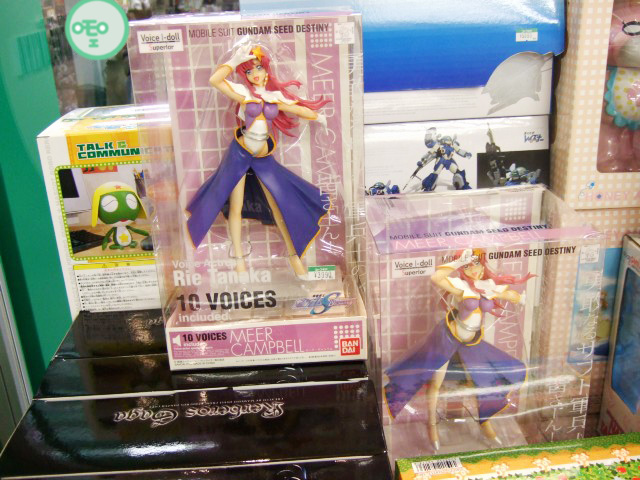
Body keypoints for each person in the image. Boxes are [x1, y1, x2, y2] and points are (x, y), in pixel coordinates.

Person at [186, 44, 330, 276]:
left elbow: (298, 110)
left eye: (258, 68)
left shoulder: (274, 97)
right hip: (240, 155)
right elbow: (215, 80)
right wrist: (233, 61)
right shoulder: (243, 93)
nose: (254, 73)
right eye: (249, 70)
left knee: (279, 204)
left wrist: (318, 117)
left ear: (266, 70)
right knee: (235, 206)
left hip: (263, 157)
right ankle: (239, 261)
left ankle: (294, 257)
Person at [384, 248, 533, 450]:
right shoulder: (460, 286)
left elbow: (507, 293)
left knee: (482, 381)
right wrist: (457, 262)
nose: (474, 269)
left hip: (472, 342)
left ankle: (485, 422)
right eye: (468, 265)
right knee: (436, 383)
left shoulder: (487, 286)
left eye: (477, 263)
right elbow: (437, 278)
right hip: (448, 338)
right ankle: (432, 425)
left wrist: (520, 299)